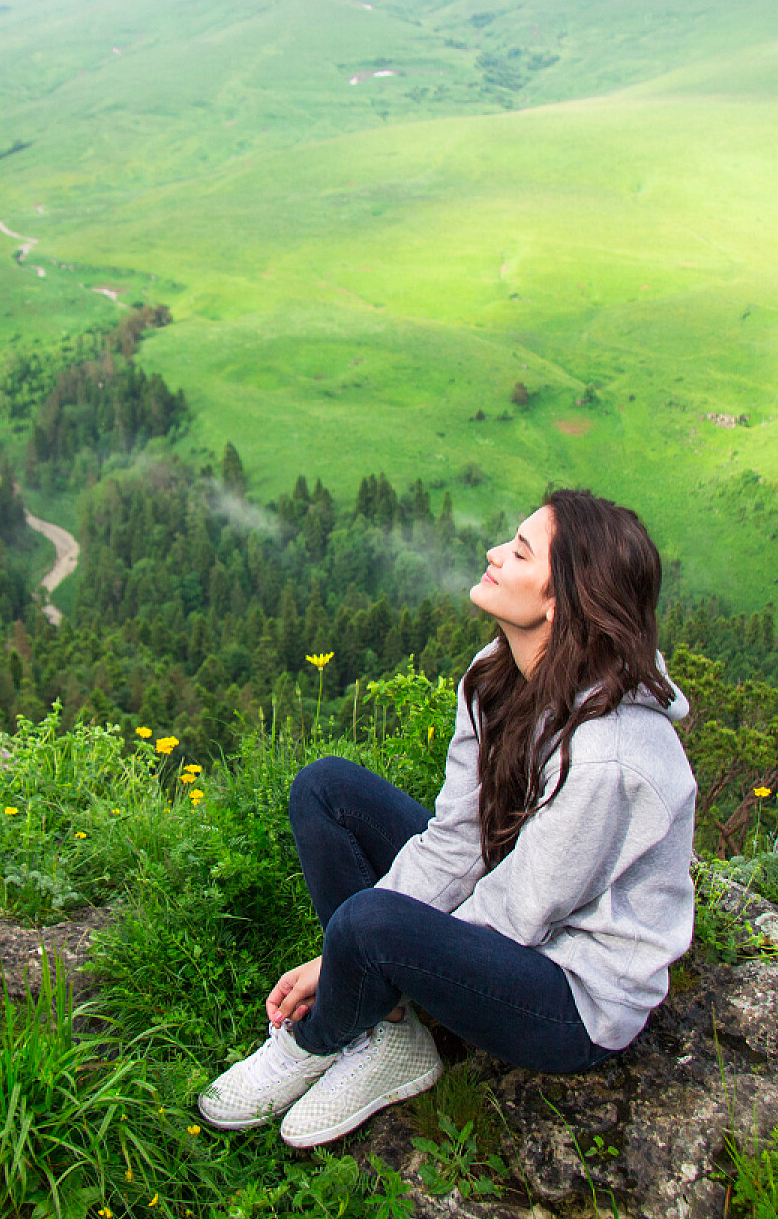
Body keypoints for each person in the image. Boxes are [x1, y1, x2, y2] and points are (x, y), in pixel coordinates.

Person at [197, 490, 697, 1148]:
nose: (494, 554)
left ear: (561, 602)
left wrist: (350, 956)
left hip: (571, 993)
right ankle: (386, 1029)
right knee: (326, 790)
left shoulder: (611, 756)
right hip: (509, 904)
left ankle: (321, 1039)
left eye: (518, 552)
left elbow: (523, 911)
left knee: (370, 922)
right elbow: (460, 838)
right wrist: (357, 953)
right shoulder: (496, 674)